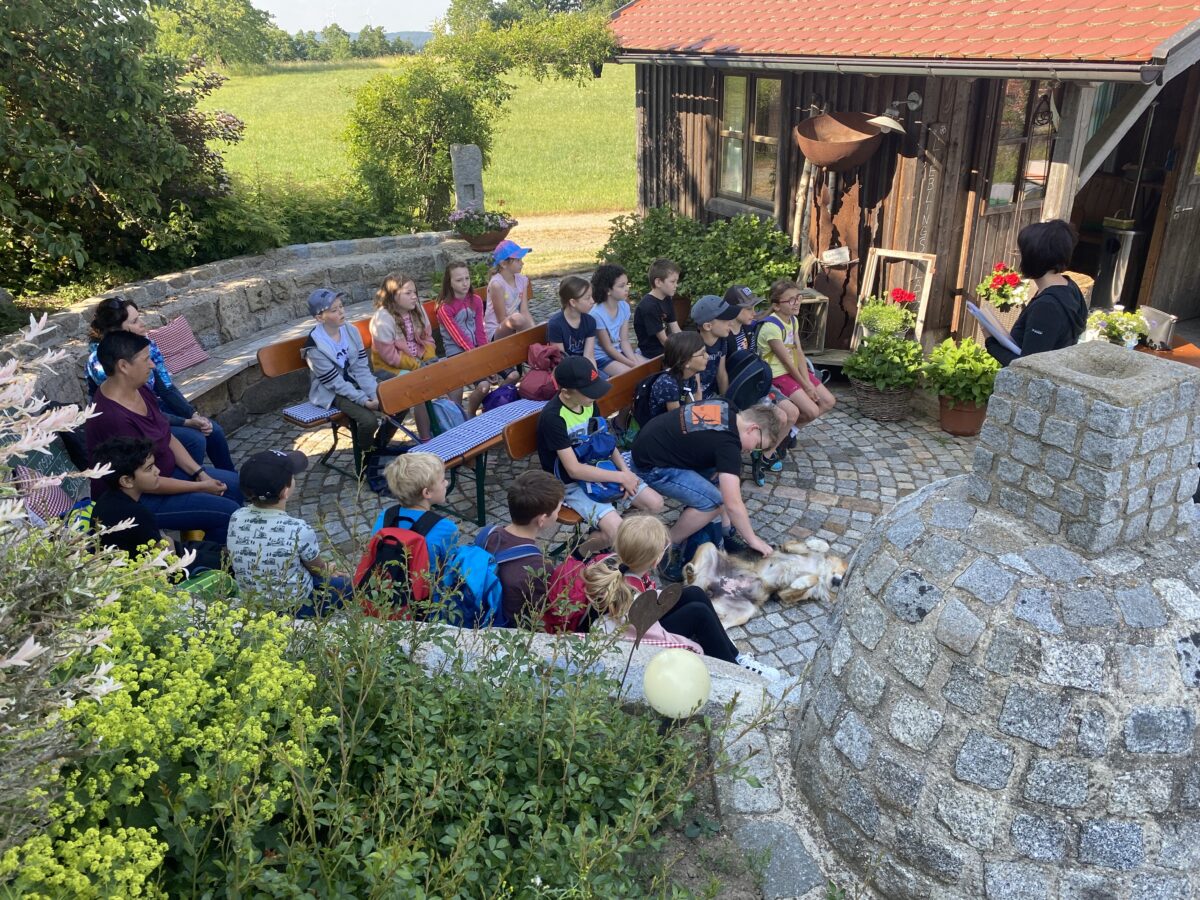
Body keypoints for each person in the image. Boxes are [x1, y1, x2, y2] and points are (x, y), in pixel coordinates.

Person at [84, 331, 242, 543]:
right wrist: (201, 486)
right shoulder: (113, 417)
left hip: (161, 475)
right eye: (146, 359)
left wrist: (200, 473)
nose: (152, 365)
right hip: (139, 498)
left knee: (237, 486)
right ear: (123, 366)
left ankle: (223, 546)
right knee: (228, 513)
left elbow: (166, 437)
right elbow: (148, 483)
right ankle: (205, 563)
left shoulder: (139, 390)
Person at [583, 516, 782, 680]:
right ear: (656, 561)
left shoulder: (623, 571)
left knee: (694, 593)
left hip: (637, 622)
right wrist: (691, 645)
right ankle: (736, 672)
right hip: (636, 639)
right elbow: (657, 639)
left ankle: (735, 657)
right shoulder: (632, 596)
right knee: (698, 614)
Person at [631, 397, 783, 581]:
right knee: (714, 503)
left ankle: (726, 532)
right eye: (757, 446)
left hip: (651, 445)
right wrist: (753, 539)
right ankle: (666, 548)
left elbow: (707, 438)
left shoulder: (729, 407)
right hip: (652, 466)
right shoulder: (728, 444)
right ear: (753, 428)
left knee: (725, 475)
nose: (751, 451)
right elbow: (732, 503)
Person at [85, 296, 234, 472]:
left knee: (212, 430)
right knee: (195, 438)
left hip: (154, 407)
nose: (143, 324)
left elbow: (166, 386)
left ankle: (235, 483)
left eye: (139, 317)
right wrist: (186, 422)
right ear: (116, 329)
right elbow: (138, 410)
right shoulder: (102, 361)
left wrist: (193, 415)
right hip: (130, 423)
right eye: (134, 321)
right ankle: (186, 479)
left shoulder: (147, 345)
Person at [536, 357, 663, 549]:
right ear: (566, 393)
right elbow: (574, 470)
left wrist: (625, 473)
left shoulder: (588, 403)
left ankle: (620, 536)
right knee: (616, 533)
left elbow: (605, 442)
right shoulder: (553, 418)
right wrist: (620, 476)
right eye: (589, 392)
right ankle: (580, 554)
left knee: (655, 504)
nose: (595, 396)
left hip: (600, 468)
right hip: (570, 484)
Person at [226, 449, 349, 617]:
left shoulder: (236, 517)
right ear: (285, 491)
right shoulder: (299, 529)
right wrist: (328, 568)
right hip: (296, 606)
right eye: (292, 476)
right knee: (350, 585)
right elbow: (317, 570)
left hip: (253, 602)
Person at [89, 436, 223, 572]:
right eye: (149, 468)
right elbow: (166, 553)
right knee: (221, 561)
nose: (157, 471)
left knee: (213, 548)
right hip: (155, 570)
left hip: (147, 558)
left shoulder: (106, 499)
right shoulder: (136, 514)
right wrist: (168, 541)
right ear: (127, 481)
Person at [302, 288, 386, 474]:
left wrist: (374, 393)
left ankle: (379, 446)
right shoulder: (314, 349)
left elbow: (361, 368)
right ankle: (365, 454)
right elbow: (336, 384)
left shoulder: (351, 330)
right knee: (368, 420)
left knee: (397, 401)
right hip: (332, 392)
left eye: (341, 307)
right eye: (333, 310)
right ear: (319, 317)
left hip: (356, 381)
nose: (341, 312)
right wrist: (365, 401)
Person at [985, 219, 1088, 367]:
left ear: (1033, 257)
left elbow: (1028, 366)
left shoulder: (1047, 307)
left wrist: (990, 342)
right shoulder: (1070, 287)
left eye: (1021, 253)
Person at [757, 279, 836, 466]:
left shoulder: (792, 320)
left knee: (828, 401)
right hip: (778, 374)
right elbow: (785, 361)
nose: (797, 302)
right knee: (811, 410)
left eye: (798, 297)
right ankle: (773, 445)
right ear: (776, 306)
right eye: (791, 300)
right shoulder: (771, 327)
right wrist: (807, 387)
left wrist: (808, 378)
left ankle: (788, 435)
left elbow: (798, 351)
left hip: (791, 370)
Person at [480, 470, 565, 626]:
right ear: (542, 519)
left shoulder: (488, 533)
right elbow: (544, 613)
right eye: (558, 510)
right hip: (508, 629)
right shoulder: (538, 567)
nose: (558, 514)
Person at [437, 261, 514, 416]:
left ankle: (494, 403)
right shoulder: (445, 308)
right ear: (449, 283)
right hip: (458, 354)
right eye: (459, 280)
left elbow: (481, 330)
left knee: (513, 375)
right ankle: (470, 414)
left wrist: (486, 355)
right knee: (483, 385)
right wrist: (483, 364)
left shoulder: (476, 300)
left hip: (478, 350)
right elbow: (459, 338)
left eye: (467, 278)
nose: (465, 283)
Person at [369, 272, 436, 441]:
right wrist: (418, 366)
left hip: (417, 363)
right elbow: (391, 357)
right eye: (408, 293)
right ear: (393, 296)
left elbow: (428, 338)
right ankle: (426, 438)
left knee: (447, 375)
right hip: (388, 369)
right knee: (419, 389)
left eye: (415, 292)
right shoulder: (382, 319)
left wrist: (428, 358)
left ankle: (448, 426)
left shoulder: (417, 309)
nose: (414, 297)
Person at [370, 452, 460, 574]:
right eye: (442, 480)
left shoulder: (385, 516)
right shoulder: (446, 528)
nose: (447, 483)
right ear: (427, 493)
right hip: (427, 591)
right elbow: (450, 569)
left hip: (385, 586)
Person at [590, 264, 646, 376]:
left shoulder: (624, 306)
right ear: (608, 290)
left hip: (619, 351)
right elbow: (608, 348)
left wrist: (633, 361)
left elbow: (624, 340)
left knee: (647, 367)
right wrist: (631, 364)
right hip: (602, 357)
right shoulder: (596, 314)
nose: (627, 289)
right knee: (630, 374)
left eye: (627, 284)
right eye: (621, 286)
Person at [690, 294, 741, 399]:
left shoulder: (721, 341)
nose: (731, 323)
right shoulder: (693, 348)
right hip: (696, 402)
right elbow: (695, 388)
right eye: (725, 320)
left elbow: (721, 374)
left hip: (712, 396)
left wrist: (726, 400)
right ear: (708, 326)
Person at [647, 331, 706, 420]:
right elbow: (679, 421)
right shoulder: (668, 384)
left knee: (726, 415)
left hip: (681, 421)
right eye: (702, 354)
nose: (707, 356)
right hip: (662, 429)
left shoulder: (689, 376)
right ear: (686, 362)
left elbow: (692, 407)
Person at [485, 239, 534, 340]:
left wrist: (534, 330)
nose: (522, 263)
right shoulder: (497, 284)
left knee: (541, 326)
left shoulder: (522, 280)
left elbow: (524, 311)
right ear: (503, 264)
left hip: (517, 326)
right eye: (517, 260)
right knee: (517, 318)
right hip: (497, 331)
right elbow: (501, 319)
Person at [633, 258, 682, 359]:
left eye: (676, 281)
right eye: (672, 282)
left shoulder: (667, 298)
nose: (676, 285)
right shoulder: (648, 306)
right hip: (653, 353)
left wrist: (687, 344)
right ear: (658, 282)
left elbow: (675, 327)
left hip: (666, 348)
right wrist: (684, 351)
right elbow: (663, 340)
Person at [547, 276, 599, 368]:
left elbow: (589, 357)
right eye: (587, 298)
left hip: (584, 368)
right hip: (566, 371)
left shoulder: (590, 321)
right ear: (573, 302)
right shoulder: (555, 324)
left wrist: (594, 376)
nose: (593, 301)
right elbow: (560, 361)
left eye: (592, 296)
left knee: (605, 381)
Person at [722, 285, 760, 354]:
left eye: (754, 308)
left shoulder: (748, 330)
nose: (754, 313)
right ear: (733, 308)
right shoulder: (722, 335)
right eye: (748, 309)